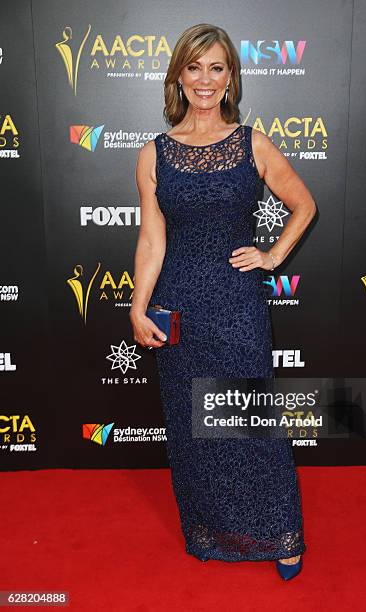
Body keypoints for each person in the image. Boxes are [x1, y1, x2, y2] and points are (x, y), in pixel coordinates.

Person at [130, 23, 316, 580]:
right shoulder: (154, 154)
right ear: (179, 77)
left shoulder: (251, 143)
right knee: (193, 423)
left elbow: (303, 204)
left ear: (230, 76)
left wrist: (273, 255)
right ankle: (215, 528)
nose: (205, 79)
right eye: (194, 67)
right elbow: (151, 239)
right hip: (180, 301)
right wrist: (139, 307)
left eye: (216, 68)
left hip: (236, 302)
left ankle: (283, 534)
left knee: (251, 418)